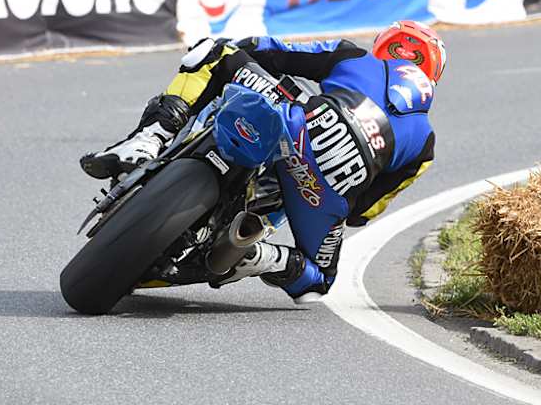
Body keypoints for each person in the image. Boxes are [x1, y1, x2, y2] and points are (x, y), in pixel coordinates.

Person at [80, 20, 446, 303]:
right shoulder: (425, 142)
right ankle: (258, 254)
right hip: (327, 188)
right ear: (432, 74)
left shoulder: (356, 56)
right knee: (319, 279)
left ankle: (149, 139)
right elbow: (363, 212)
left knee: (216, 52)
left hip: (300, 122)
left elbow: (273, 50)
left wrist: (244, 55)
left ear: (386, 47)